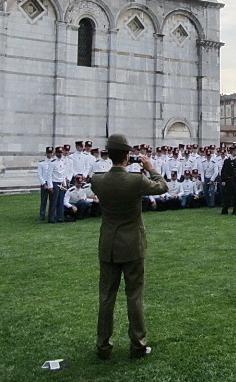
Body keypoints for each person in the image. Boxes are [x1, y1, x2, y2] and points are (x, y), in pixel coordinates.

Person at [93, 133, 167, 360]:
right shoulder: (135, 180)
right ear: (127, 156)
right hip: (132, 244)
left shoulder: (97, 180)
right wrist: (151, 167)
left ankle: (103, 345)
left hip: (109, 243)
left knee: (106, 297)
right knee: (134, 296)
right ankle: (138, 344)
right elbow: (162, 186)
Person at [220, 146, 236, 215]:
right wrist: (224, 180)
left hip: (234, 180)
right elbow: (224, 171)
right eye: (235, 151)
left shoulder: (234, 160)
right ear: (232, 151)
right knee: (228, 197)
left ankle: (235, 210)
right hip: (229, 181)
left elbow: (233, 170)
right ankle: (225, 210)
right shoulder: (227, 160)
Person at [37, 146, 54, 221]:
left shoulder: (54, 162)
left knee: (52, 200)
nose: (50, 154)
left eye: (51, 153)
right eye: (48, 153)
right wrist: (44, 184)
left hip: (52, 182)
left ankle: (51, 214)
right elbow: (39, 174)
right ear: (46, 153)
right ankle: (42, 214)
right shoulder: (42, 163)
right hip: (45, 182)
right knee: (43, 200)